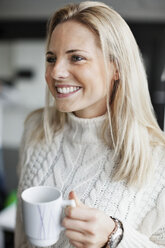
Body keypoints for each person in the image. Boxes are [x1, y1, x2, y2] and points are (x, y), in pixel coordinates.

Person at [15, 1, 165, 248]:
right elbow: (22, 234)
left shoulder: (158, 158)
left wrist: (116, 237)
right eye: (51, 58)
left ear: (117, 68)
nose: (56, 72)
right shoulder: (35, 128)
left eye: (76, 58)